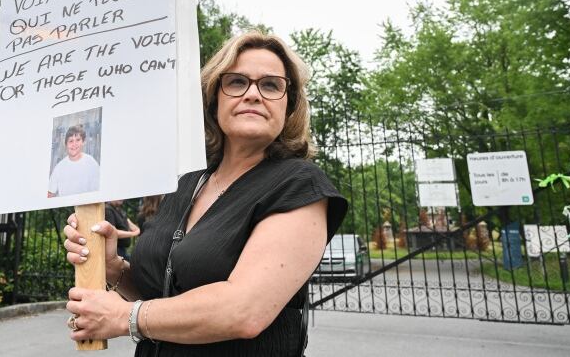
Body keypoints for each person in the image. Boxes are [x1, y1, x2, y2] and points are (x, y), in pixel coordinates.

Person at [62, 31, 348, 356]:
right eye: (237, 82)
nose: (253, 94)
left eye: (270, 85)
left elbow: (244, 310)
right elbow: (162, 294)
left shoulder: (299, 184)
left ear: (289, 105)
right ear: (214, 100)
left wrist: (125, 316)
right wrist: (114, 267)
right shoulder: (188, 184)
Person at [48, 125, 100, 197]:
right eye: (71, 141)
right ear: (66, 144)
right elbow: (50, 193)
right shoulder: (59, 167)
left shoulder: (91, 163)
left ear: (83, 142)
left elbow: (99, 190)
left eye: (78, 140)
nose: (74, 144)